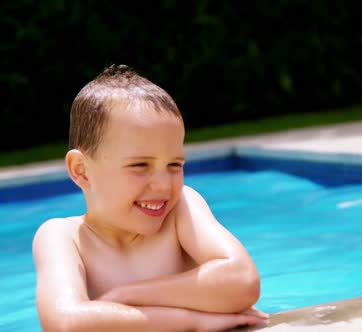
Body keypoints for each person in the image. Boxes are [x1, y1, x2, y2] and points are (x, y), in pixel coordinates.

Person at [32, 65, 269, 331]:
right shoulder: (62, 236)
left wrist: (125, 297)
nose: (163, 184)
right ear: (81, 170)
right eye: (139, 165)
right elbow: (64, 323)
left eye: (175, 165)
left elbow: (242, 280)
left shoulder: (181, 209)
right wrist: (192, 321)